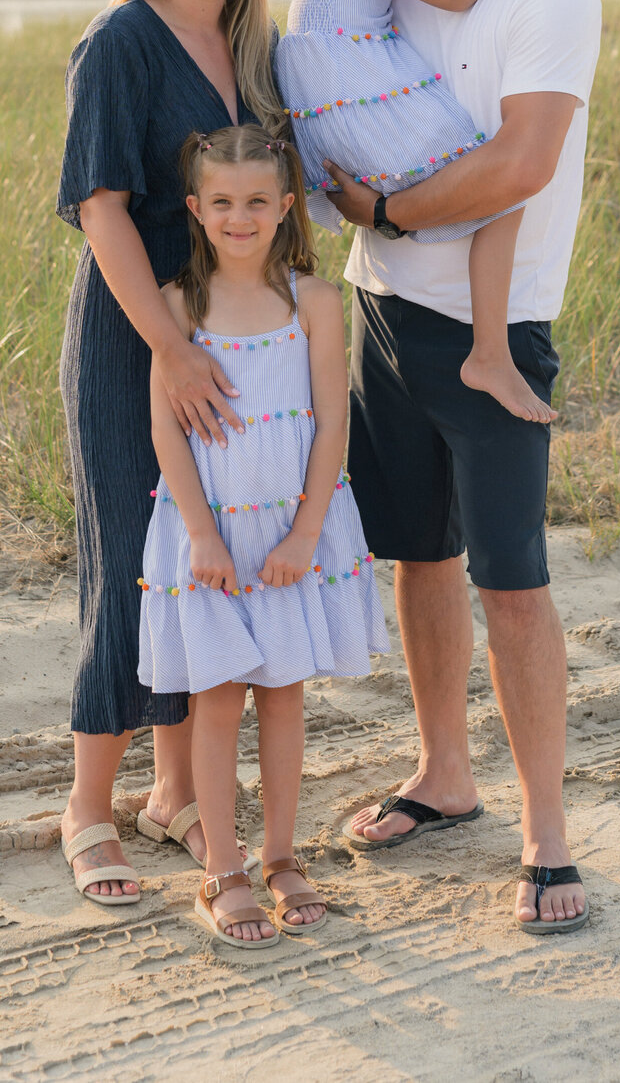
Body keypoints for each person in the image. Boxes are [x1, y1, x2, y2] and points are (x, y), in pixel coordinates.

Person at [322, 0, 602, 934]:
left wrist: (385, 211)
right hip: (381, 308)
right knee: (416, 557)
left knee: (515, 583)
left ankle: (548, 834)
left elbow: (522, 163)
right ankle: (445, 773)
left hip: (497, 324)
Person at [56, 0, 285, 906]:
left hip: (223, 342)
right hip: (134, 337)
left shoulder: (248, 43)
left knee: (202, 557)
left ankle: (173, 793)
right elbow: (102, 205)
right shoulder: (121, 40)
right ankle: (88, 809)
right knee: (134, 562)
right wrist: (169, 346)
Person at [138, 126, 387, 955]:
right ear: (196, 211)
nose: (239, 217)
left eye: (256, 202)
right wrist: (201, 535)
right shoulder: (178, 312)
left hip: (290, 534)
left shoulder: (314, 302)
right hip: (211, 537)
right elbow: (168, 437)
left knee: (283, 696)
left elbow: (330, 424)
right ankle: (225, 872)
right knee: (216, 700)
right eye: (222, 203)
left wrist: (308, 532)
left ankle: (281, 856)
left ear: (285, 207)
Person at [276, 0, 559, 422]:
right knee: (499, 194)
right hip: (352, 107)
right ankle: (489, 354)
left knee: (491, 195)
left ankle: (484, 352)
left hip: (338, 107)